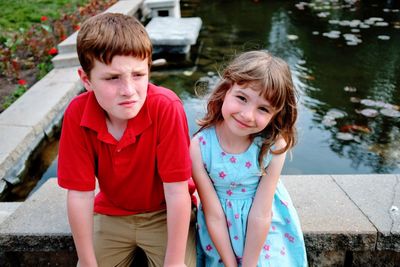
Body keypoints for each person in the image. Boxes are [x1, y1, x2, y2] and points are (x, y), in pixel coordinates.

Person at [57, 13, 196, 267]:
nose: (129, 91)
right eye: (112, 78)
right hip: (112, 213)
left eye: (139, 75)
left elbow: (177, 191)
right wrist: (87, 262)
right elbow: (79, 194)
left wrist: (175, 261)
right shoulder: (77, 114)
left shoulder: (166, 107)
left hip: (163, 213)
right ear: (86, 80)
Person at [191, 51, 308, 266]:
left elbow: (262, 214)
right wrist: (231, 263)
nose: (247, 115)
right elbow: (214, 214)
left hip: (265, 230)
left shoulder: (272, 146)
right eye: (242, 98)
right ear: (226, 91)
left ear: (275, 114)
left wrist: (248, 264)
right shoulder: (200, 147)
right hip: (220, 232)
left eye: (263, 108)